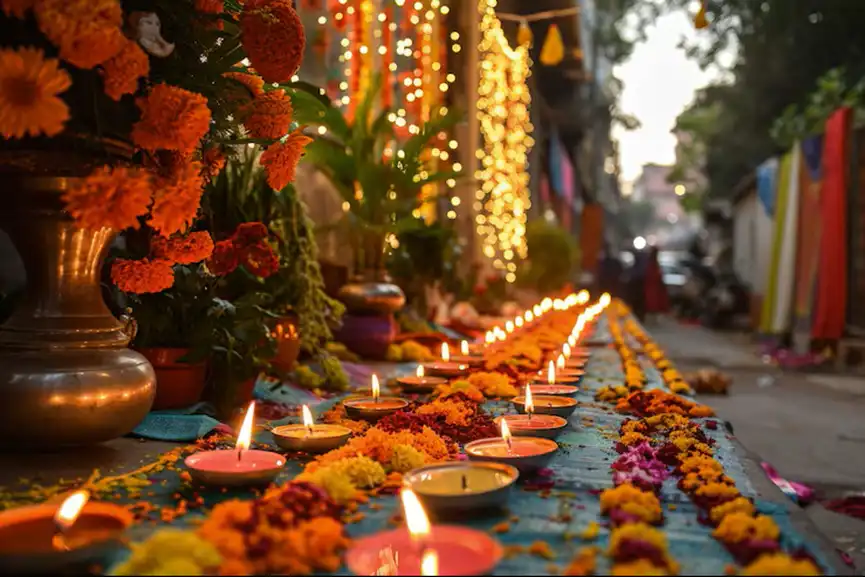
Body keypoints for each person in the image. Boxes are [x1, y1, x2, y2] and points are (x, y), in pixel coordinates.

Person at [644, 246, 670, 322]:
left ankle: (652, 318)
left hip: (653, 287)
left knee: (653, 303)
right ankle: (651, 318)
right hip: (652, 287)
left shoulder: (652, 263)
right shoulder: (652, 264)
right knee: (652, 303)